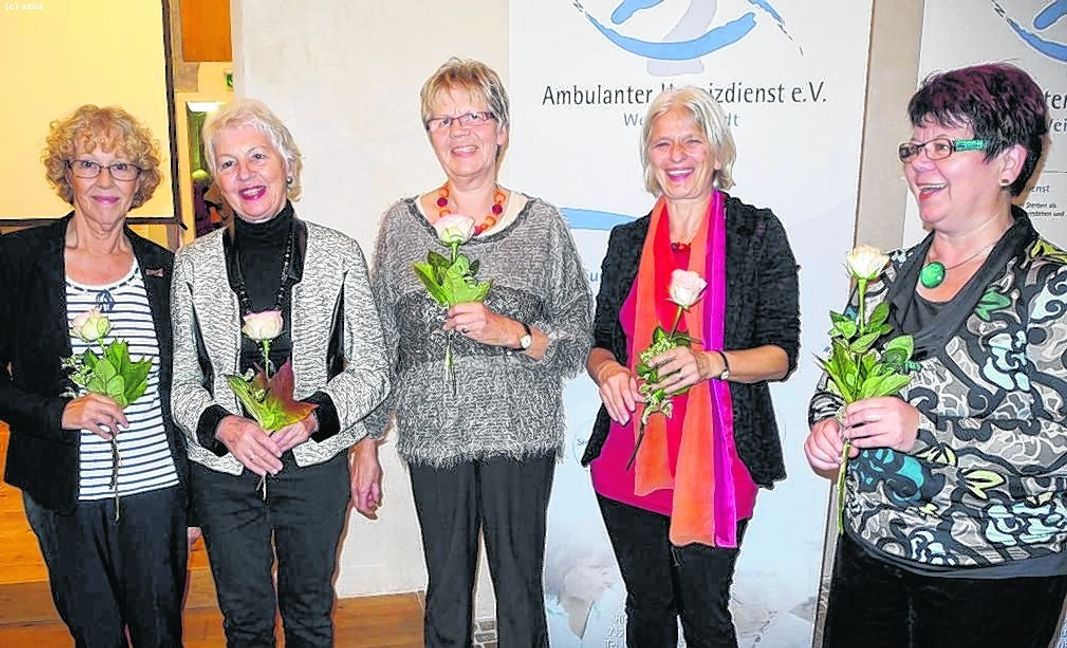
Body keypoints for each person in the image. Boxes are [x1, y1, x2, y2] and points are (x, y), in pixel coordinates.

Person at [804, 63, 1067, 648]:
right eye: (914, 147)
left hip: (992, 574)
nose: (920, 163)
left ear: (1009, 162)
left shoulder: (1051, 286)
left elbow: (1059, 441)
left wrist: (924, 430)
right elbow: (835, 382)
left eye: (944, 146)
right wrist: (827, 426)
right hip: (870, 551)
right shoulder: (883, 275)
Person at [365, 57, 592, 647]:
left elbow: (577, 337)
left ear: (502, 130)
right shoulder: (401, 226)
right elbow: (380, 345)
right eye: (443, 120)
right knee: (445, 591)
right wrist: (366, 443)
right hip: (434, 437)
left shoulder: (542, 225)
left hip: (519, 436)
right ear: (430, 135)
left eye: (475, 116)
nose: (459, 131)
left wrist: (513, 332)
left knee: (519, 592)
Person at [581, 86, 800, 648]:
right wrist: (608, 373)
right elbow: (600, 343)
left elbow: (781, 354)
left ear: (717, 151)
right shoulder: (627, 241)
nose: (676, 156)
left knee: (706, 613)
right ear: (649, 157)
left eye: (692, 141)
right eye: (662, 144)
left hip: (720, 461)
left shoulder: (756, 233)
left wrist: (711, 363)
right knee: (648, 607)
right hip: (628, 459)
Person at [170, 98, 390, 647]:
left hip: (312, 466)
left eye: (258, 156)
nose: (244, 174)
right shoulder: (191, 265)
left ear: (287, 164)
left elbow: (372, 368)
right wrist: (225, 426)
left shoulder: (340, 254)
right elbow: (181, 383)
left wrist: (313, 418)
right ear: (216, 181)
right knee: (244, 622)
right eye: (227, 163)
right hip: (223, 473)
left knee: (310, 615)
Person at [0, 105, 189, 646]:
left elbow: (187, 385)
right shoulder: (19, 259)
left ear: (139, 182)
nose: (105, 181)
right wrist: (59, 412)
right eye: (88, 164)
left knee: (160, 634)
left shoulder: (165, 268)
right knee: (96, 635)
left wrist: (192, 506)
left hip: (157, 491)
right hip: (64, 493)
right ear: (67, 175)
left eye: (121, 166)